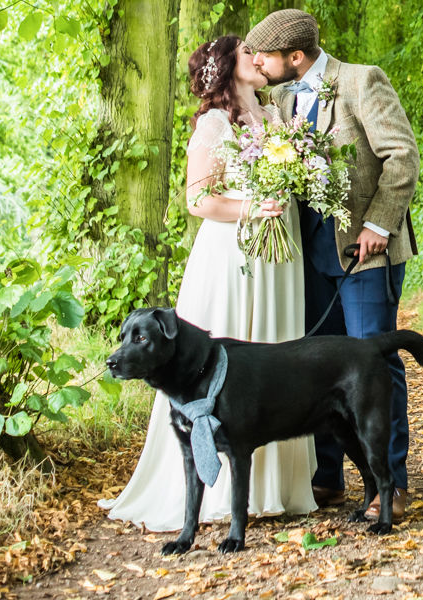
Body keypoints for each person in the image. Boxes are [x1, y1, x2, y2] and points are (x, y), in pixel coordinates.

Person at [99, 35, 317, 531]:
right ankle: (214, 491)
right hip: (233, 255)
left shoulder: (276, 117)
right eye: (249, 54)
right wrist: (250, 209)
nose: (260, 60)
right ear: (226, 67)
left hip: (279, 257)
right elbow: (197, 201)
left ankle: (274, 487)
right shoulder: (213, 124)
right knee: (230, 356)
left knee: (276, 350)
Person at [245, 9, 419, 522]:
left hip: (366, 254)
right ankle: (328, 479)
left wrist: (379, 225)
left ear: (295, 57)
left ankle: (391, 485)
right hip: (305, 258)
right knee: (317, 366)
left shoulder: (362, 81)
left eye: (267, 57)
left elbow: (401, 156)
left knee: (372, 363)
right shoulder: (275, 98)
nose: (260, 64)